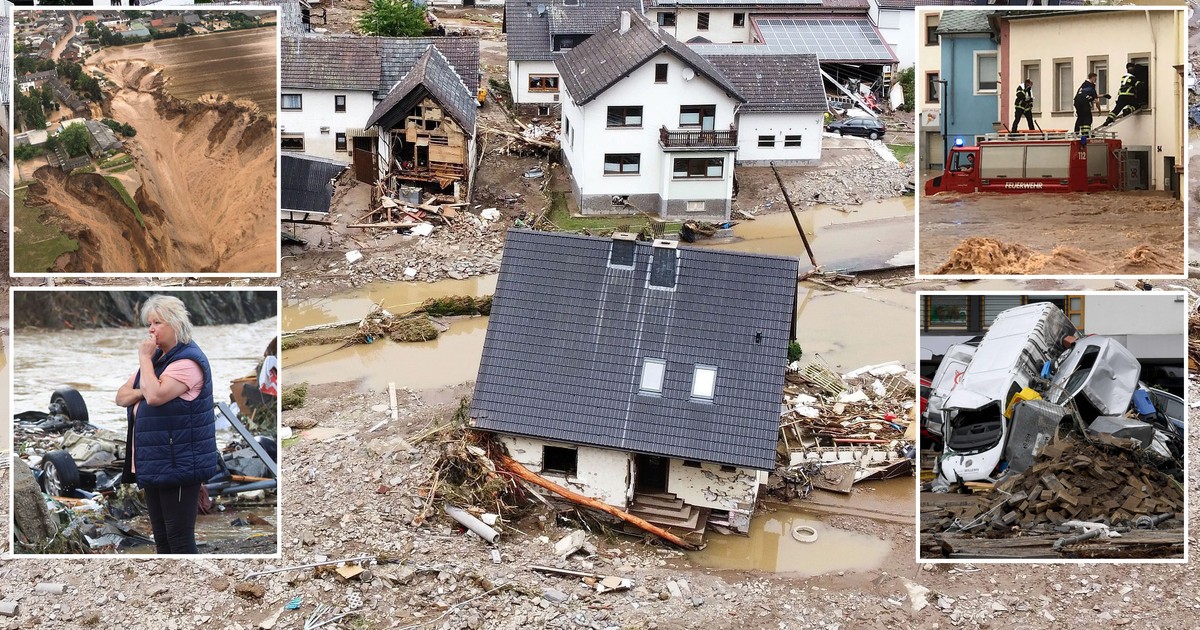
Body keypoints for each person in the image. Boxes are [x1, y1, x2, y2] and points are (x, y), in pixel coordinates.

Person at [116, 295, 220, 555]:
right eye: (149, 324)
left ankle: (193, 589)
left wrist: (144, 361)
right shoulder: (159, 362)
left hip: (180, 463)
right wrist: (144, 385)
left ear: (175, 324)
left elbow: (155, 396)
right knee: (161, 538)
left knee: (179, 538)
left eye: (157, 323)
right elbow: (121, 396)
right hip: (156, 461)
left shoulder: (186, 363)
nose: (151, 330)